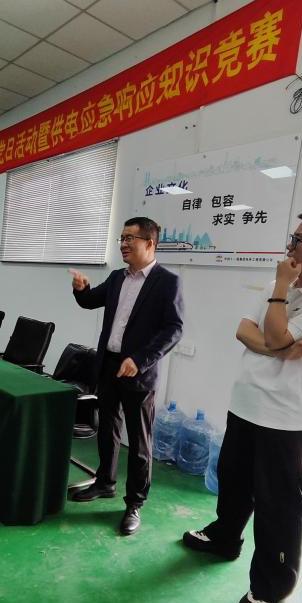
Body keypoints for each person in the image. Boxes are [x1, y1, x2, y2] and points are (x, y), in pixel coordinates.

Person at [182, 209, 302, 603]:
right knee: (234, 482)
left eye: (298, 241)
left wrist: (277, 300)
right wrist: (278, 347)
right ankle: (225, 538)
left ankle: (272, 587)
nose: (289, 247)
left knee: (278, 507)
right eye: (291, 238)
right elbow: (244, 330)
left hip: (286, 419)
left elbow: (271, 332)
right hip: (246, 404)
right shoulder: (281, 286)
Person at [68, 216, 184, 535]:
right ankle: (105, 482)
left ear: (149, 243)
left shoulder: (167, 282)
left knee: (139, 442)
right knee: (107, 429)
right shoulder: (118, 277)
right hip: (108, 365)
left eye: (130, 238)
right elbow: (91, 301)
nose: (123, 244)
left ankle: (134, 503)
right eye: (121, 238)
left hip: (139, 372)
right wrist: (82, 288)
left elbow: (174, 329)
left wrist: (141, 359)